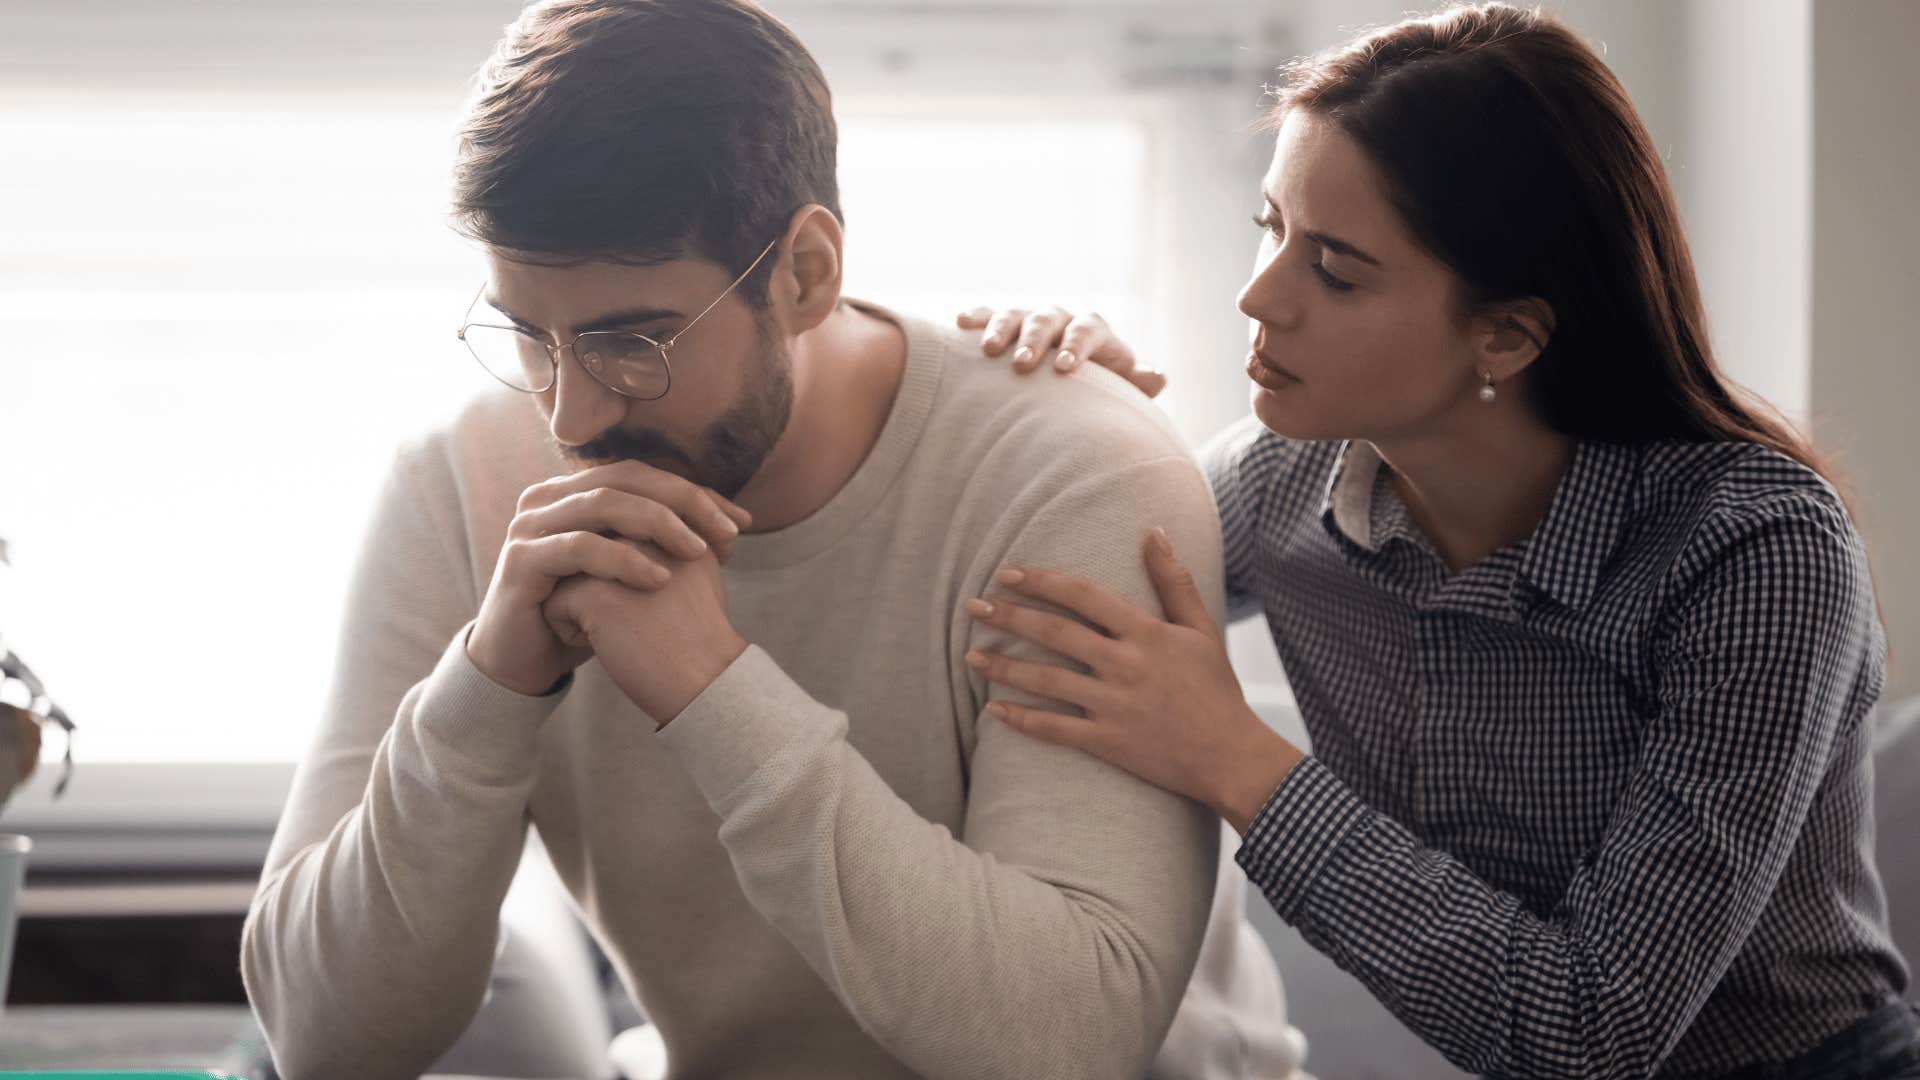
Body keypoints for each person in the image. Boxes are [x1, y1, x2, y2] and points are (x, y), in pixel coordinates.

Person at [238, 1, 1298, 1078]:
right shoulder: (462, 484)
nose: (570, 422)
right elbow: (323, 1040)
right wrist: (487, 689)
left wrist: (713, 691)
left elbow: (1065, 1044)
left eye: (631, 342)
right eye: (528, 337)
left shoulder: (1075, 476)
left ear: (804, 272)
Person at [960, 3, 1919, 1077]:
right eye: (1269, 228)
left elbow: (1593, 1032)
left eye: (1333, 269)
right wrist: (1080, 413)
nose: (1258, 295)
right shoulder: (1280, 483)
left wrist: (1231, 754)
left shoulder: (1758, 552)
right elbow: (1047, 582)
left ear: (1506, 332)